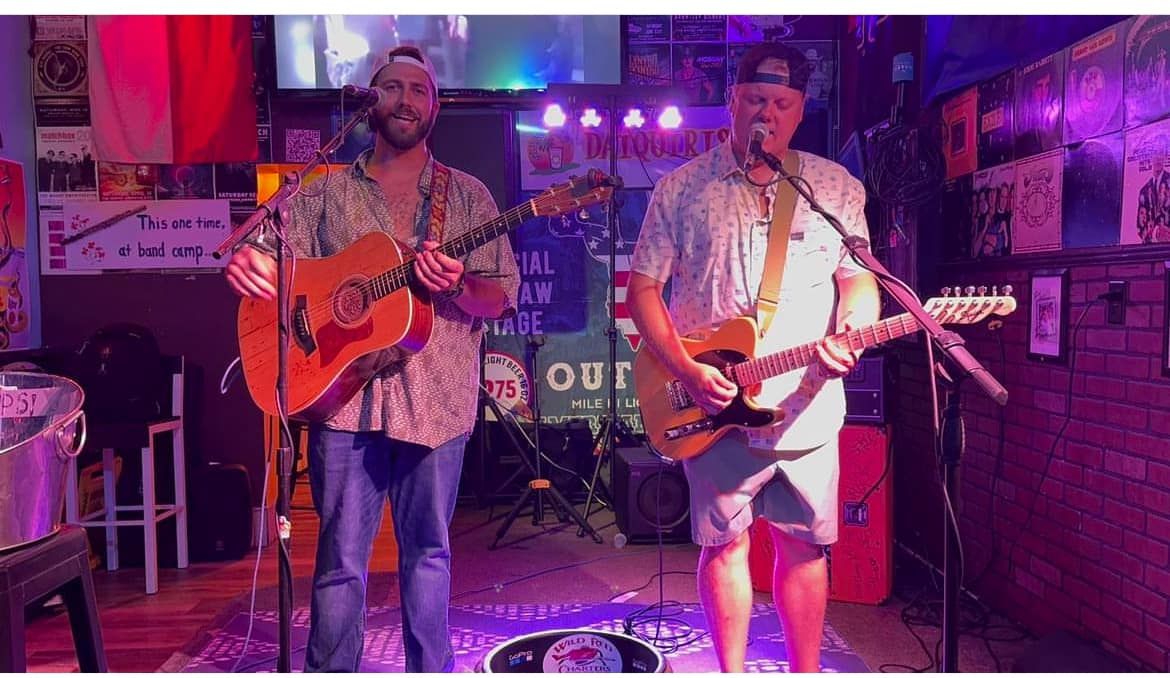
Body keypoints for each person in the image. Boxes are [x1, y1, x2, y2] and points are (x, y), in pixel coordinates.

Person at [224, 46, 519, 672]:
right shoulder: (323, 194)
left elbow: (501, 296)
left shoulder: (466, 197)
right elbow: (268, 253)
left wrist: (456, 285)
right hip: (341, 399)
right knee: (338, 561)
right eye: (392, 88)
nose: (406, 100)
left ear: (435, 107)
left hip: (436, 401)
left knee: (429, 555)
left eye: (419, 90)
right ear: (370, 101)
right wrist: (251, 260)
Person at [627, 42, 880, 673]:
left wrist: (853, 327)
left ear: (800, 112)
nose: (767, 113)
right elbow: (642, 289)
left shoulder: (833, 188)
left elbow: (859, 280)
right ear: (731, 103)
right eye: (755, 100)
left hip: (806, 404)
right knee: (726, 545)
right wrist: (686, 370)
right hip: (713, 402)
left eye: (782, 103)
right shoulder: (682, 189)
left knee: (804, 548)